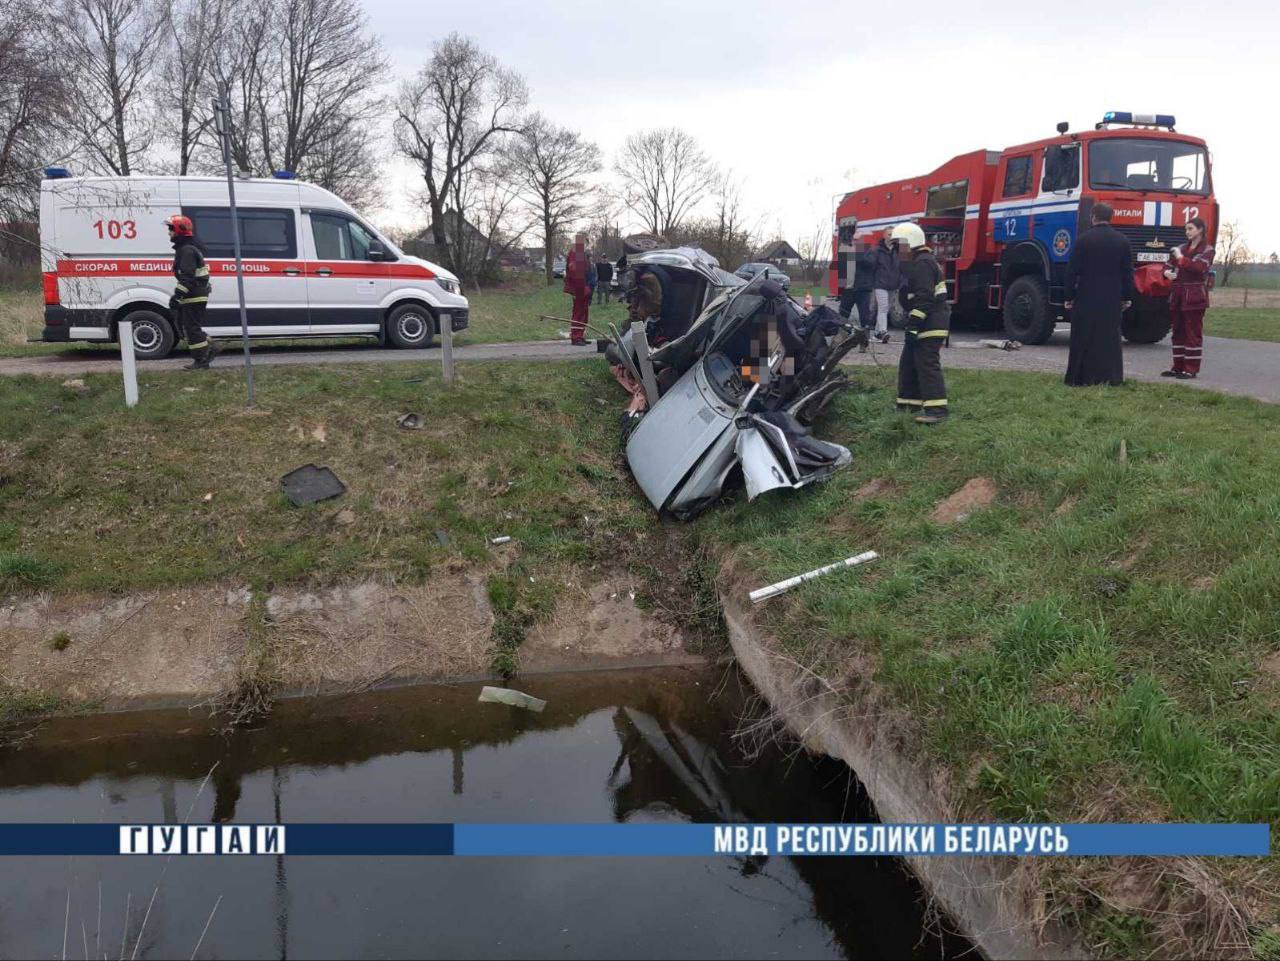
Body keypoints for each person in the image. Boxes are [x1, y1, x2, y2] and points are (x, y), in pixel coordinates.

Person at [1063, 202, 1133, 387]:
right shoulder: (1122, 241)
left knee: (1083, 335)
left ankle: (1080, 377)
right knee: (1109, 337)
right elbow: (1127, 272)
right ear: (1110, 218)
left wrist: (1069, 296)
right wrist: (1126, 297)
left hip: (1086, 294)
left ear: (1093, 217)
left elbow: (1072, 271)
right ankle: (1111, 377)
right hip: (1112, 296)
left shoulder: (1083, 240)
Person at [890, 222, 950, 424]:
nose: (897, 251)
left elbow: (924, 298)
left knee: (927, 365)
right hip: (926, 321)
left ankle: (937, 411)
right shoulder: (919, 262)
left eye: (898, 245)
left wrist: (913, 324)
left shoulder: (923, 263)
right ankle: (908, 404)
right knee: (908, 364)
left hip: (931, 323)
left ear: (910, 242)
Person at [1162, 216, 1214, 379]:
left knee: (1193, 333)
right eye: (1186, 229)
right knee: (1177, 331)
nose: (1187, 232)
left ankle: (1191, 369)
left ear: (1200, 229)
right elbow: (1168, 265)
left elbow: (1198, 267)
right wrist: (1166, 273)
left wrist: (1180, 258)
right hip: (1177, 295)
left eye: (1190, 228)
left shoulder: (1207, 250)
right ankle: (1177, 367)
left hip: (1195, 297)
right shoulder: (1181, 248)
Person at [165, 214, 217, 370]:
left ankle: (201, 360)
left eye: (171, 229)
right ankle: (209, 348)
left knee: (191, 328)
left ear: (179, 230)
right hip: (195, 293)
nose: (169, 232)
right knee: (191, 327)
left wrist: (177, 296)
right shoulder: (187, 248)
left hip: (194, 294)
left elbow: (187, 276)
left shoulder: (186, 250)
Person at [869, 232, 901, 343]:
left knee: (886, 309)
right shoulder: (877, 250)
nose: (891, 236)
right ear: (884, 236)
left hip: (893, 284)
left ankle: (877, 334)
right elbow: (871, 266)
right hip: (880, 283)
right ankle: (883, 331)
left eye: (893, 234)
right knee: (883, 307)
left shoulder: (897, 251)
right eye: (889, 234)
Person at [563, 233, 591, 345]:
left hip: (582, 286)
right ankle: (576, 337)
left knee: (583, 312)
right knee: (579, 313)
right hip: (579, 287)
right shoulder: (576, 252)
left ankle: (580, 334)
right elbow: (575, 271)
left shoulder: (579, 253)